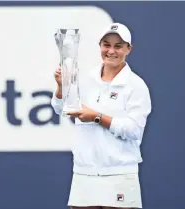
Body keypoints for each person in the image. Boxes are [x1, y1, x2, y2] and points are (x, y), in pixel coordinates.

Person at [51, 23, 152, 209]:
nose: (111, 51)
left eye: (118, 46)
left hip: (119, 174)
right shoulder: (85, 78)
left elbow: (134, 130)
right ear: (100, 46)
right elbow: (61, 108)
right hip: (84, 173)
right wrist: (60, 87)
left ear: (128, 49)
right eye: (106, 45)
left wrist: (97, 117)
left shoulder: (136, 86)